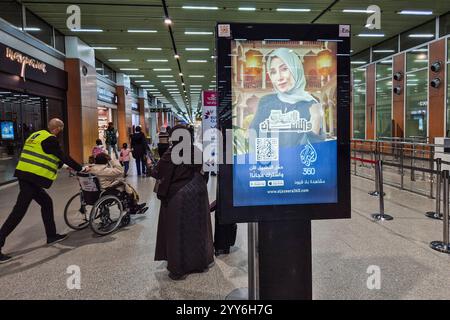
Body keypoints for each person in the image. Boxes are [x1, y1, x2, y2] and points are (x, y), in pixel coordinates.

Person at [0, 118, 85, 263]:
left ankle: (51, 235)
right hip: (32, 179)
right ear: (57, 128)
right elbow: (62, 156)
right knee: (19, 211)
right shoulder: (50, 140)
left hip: (24, 175)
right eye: (61, 130)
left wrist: (65, 167)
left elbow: (48, 156)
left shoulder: (36, 136)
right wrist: (80, 168)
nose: (60, 133)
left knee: (46, 202)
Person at [151, 125, 214, 280]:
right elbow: (205, 171)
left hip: (177, 196)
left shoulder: (172, 152)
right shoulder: (196, 151)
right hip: (198, 192)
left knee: (177, 231)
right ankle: (199, 263)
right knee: (197, 228)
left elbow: (157, 172)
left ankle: (178, 269)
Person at [249, 48, 325, 147]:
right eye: (273, 72)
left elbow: (315, 151)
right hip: (271, 161)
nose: (279, 77)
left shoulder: (311, 105)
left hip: (298, 161)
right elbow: (253, 138)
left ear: (296, 69)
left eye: (284, 69)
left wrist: (316, 120)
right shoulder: (266, 102)